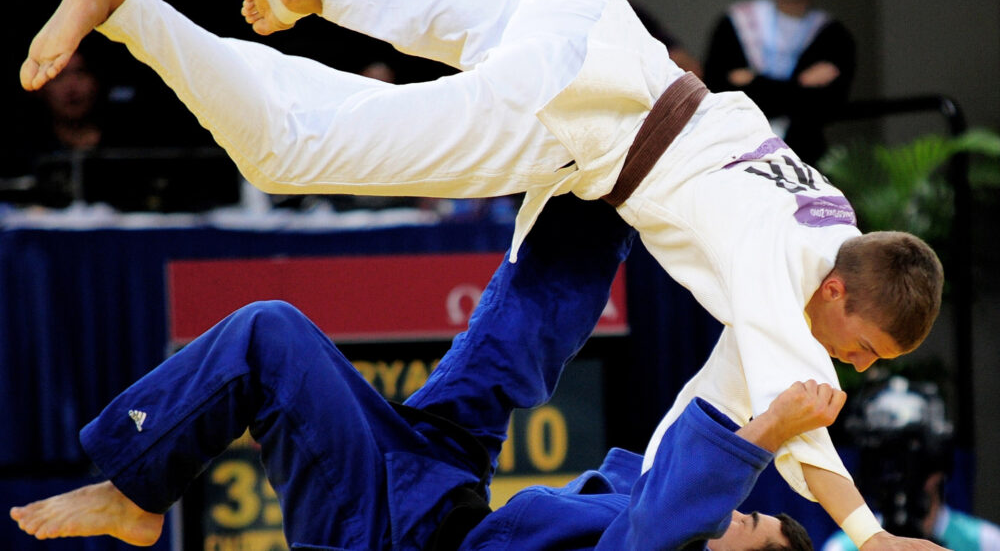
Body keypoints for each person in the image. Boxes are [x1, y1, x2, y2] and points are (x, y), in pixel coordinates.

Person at [20, 0, 945, 548]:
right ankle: (133, 11)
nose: (852, 370)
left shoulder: (832, 218)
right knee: (289, 152)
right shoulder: (783, 270)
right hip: (576, 121)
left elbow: (716, 411)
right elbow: (786, 408)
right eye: (861, 349)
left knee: (458, 32)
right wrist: (869, 533)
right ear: (835, 294)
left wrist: (753, 435)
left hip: (607, 41)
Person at [13, 195, 826, 550]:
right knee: (514, 349)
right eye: (742, 515)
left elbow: (653, 532)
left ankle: (133, 495)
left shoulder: (666, 542)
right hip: (450, 500)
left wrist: (768, 434)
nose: (727, 518)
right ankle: (605, 191)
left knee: (270, 333)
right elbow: (669, 478)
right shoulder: (680, 518)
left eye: (741, 530)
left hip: (390, 540)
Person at [822, 376, 1000, 551]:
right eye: (885, 461)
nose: (898, 476)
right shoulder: (842, 547)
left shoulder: (985, 543)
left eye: (914, 463)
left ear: (938, 465)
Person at [702, 0, 856, 164]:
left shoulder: (833, 35)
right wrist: (800, 85)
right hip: (736, 149)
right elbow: (719, 90)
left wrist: (755, 83)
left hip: (802, 154)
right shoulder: (737, 22)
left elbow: (826, 105)